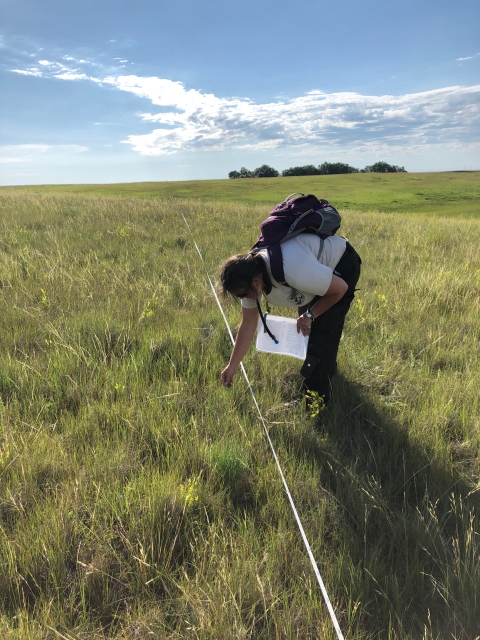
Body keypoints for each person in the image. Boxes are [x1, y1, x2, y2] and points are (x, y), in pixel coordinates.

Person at [219, 232, 361, 404]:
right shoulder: (250, 274)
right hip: (312, 274)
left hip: (341, 267)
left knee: (320, 335)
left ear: (256, 282)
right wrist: (232, 366)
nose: (244, 298)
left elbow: (340, 289)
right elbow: (248, 325)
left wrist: (310, 314)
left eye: (243, 294)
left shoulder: (292, 270)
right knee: (307, 332)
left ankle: (315, 402)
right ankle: (327, 370)